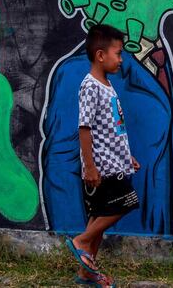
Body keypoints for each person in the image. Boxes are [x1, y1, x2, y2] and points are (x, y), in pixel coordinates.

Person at [64, 24, 141, 286]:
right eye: (117, 54)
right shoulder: (91, 86)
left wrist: (126, 156)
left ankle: (87, 273)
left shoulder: (106, 85)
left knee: (98, 217)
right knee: (126, 203)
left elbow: (112, 129)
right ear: (100, 55)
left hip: (116, 162)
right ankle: (81, 241)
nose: (120, 60)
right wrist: (90, 167)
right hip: (103, 168)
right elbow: (84, 128)